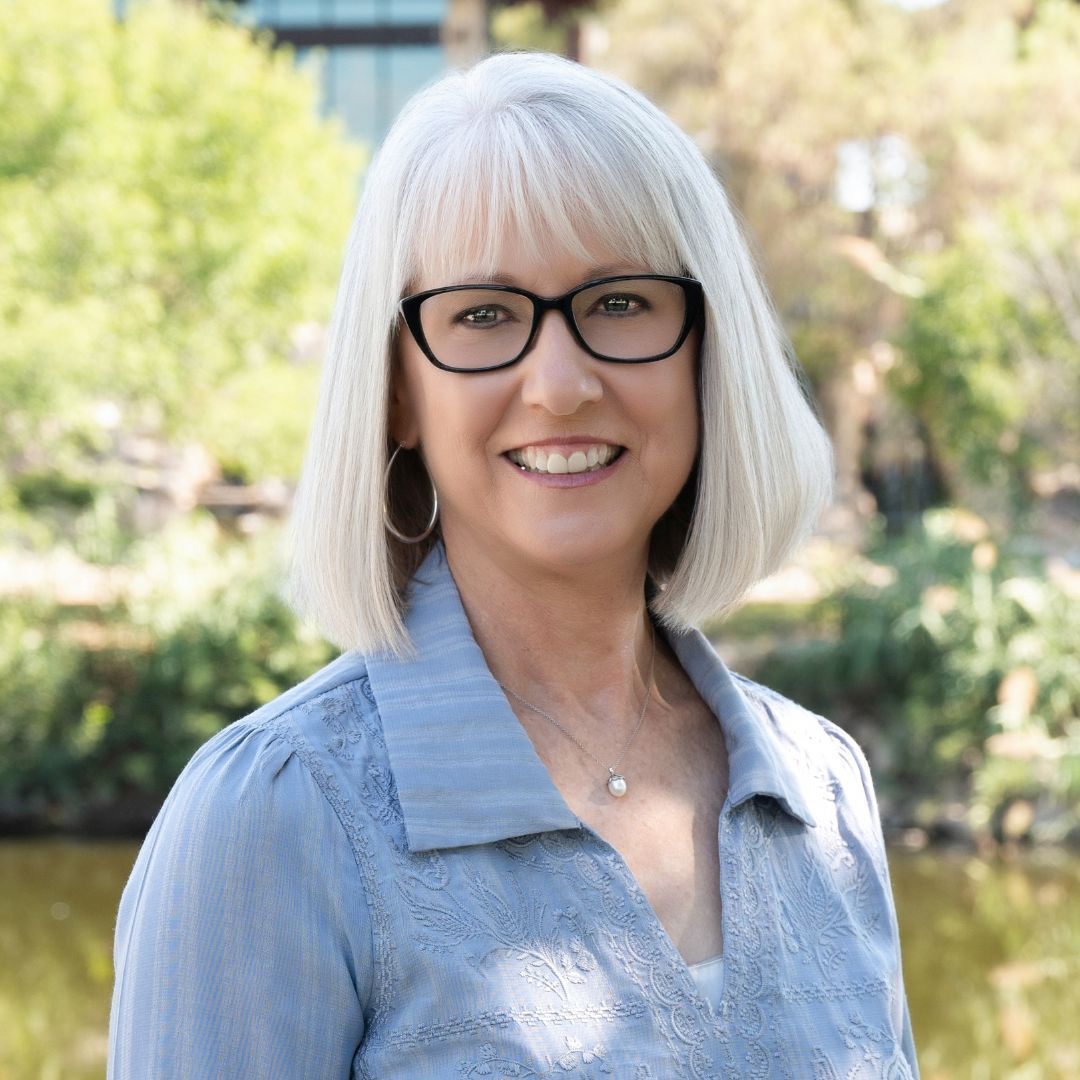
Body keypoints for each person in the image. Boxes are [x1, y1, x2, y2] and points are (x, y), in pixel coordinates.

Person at [108, 52, 919, 1078]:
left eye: (621, 302)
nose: (562, 383)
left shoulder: (824, 792)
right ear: (397, 389)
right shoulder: (275, 820)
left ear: (706, 351)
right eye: (483, 315)